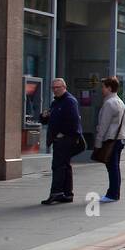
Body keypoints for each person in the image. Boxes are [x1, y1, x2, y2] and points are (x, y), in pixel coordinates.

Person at [40, 77, 82, 205]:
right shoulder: (56, 102)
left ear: (64, 87)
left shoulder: (69, 101)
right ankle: (67, 194)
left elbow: (74, 121)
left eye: (57, 87)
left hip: (65, 139)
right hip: (58, 139)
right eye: (53, 88)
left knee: (58, 166)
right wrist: (44, 116)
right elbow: (47, 121)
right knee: (65, 166)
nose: (55, 90)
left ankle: (56, 193)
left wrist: (63, 133)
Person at [94, 75, 125, 203]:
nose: (101, 90)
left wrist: (98, 143)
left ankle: (113, 194)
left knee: (112, 167)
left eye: (103, 87)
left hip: (111, 139)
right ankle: (114, 193)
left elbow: (103, 125)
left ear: (109, 88)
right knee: (115, 167)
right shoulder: (120, 102)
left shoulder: (109, 103)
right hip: (120, 138)